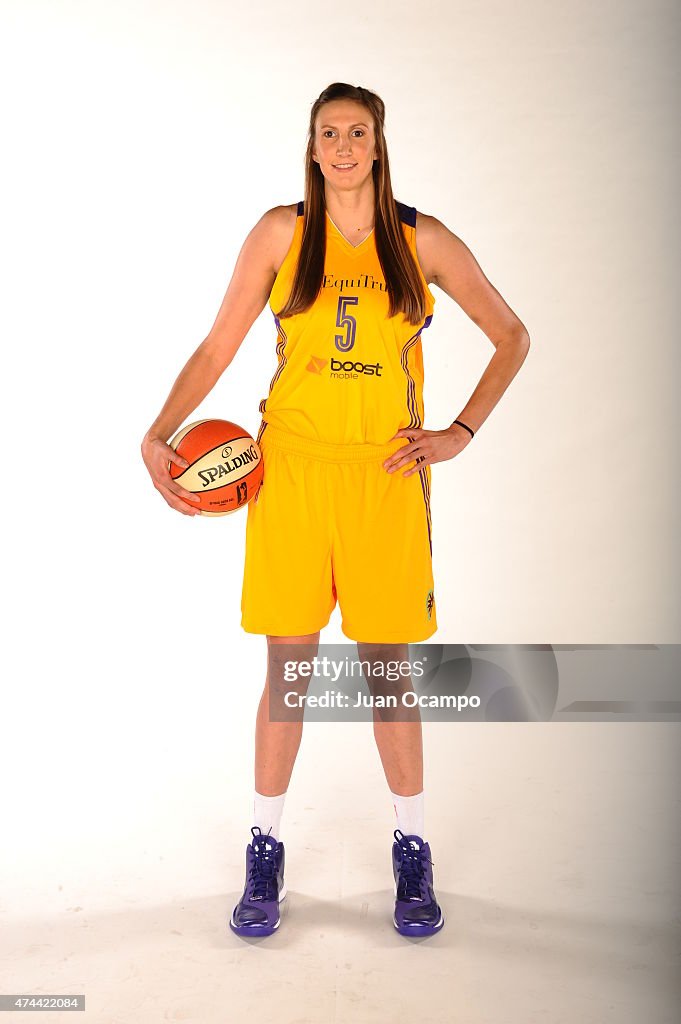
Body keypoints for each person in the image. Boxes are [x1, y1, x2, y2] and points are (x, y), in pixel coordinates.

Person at [141, 82, 530, 939]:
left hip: (382, 477)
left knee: (387, 671)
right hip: (290, 474)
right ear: (312, 148)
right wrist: (160, 430)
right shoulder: (282, 233)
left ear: (379, 144)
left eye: (359, 131)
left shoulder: (419, 239)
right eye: (329, 133)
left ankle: (411, 849)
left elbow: (511, 333)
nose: (344, 145)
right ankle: (263, 850)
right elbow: (218, 344)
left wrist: (458, 431)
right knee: (289, 671)